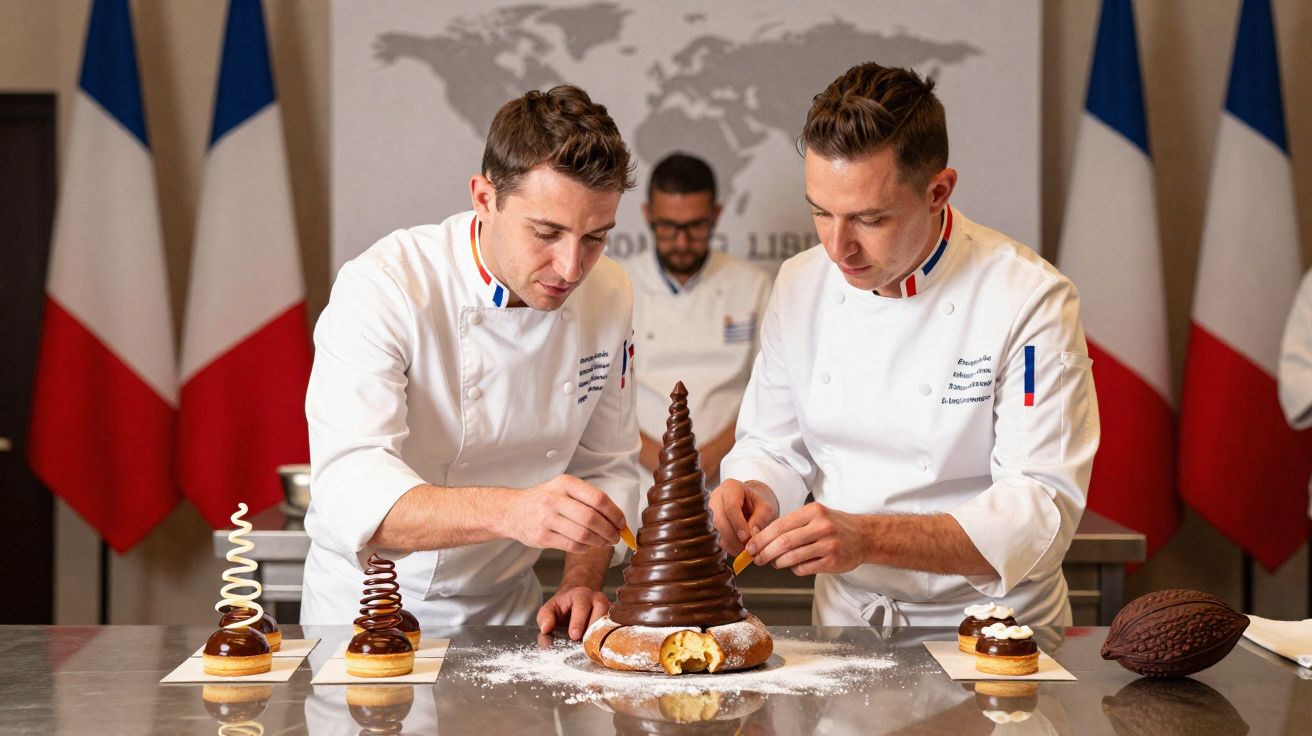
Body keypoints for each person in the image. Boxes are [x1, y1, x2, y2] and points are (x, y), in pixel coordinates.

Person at [709, 63, 1099, 627]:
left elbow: (1039, 506)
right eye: (821, 211)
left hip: (992, 627)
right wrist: (753, 489)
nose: (838, 247)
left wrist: (867, 537)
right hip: (847, 619)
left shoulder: (1028, 298)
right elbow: (774, 443)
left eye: (869, 218)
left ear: (938, 191)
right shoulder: (799, 283)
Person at [302, 85, 642, 640]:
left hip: (511, 609)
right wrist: (511, 513)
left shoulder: (610, 293)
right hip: (370, 614)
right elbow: (350, 491)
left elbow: (606, 468)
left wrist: (581, 579)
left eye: (596, 237)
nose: (572, 266)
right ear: (484, 198)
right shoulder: (386, 287)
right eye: (546, 233)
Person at [624, 153, 771, 485]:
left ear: (715, 215)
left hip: (728, 472)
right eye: (668, 227)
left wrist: (713, 455)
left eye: (694, 226)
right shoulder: (619, 286)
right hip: (642, 474)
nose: (681, 241)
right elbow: (601, 401)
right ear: (648, 215)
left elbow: (770, 392)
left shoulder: (753, 286)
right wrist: (663, 460)